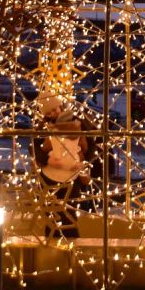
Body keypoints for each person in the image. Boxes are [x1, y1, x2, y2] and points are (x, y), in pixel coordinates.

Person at [33, 91, 91, 239]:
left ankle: (72, 245)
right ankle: (51, 244)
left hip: (72, 178)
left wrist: (83, 163)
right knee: (51, 214)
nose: (53, 113)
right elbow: (33, 148)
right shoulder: (44, 127)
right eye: (49, 112)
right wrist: (47, 160)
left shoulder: (78, 122)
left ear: (61, 106)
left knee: (69, 213)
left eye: (55, 109)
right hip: (49, 179)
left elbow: (91, 145)